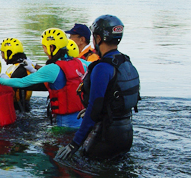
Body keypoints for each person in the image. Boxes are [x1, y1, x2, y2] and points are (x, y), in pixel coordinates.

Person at [56, 15, 140, 161]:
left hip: (105, 137)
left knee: (83, 177)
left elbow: (94, 110)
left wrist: (74, 144)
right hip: (126, 135)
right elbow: (118, 97)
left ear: (99, 38)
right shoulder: (125, 61)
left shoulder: (102, 67)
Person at [0, 28, 84, 128]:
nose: (44, 50)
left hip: (64, 125)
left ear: (51, 47)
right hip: (81, 121)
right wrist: (34, 68)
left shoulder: (52, 68)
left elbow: (22, 82)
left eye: (44, 47)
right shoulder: (80, 63)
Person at [0, 37, 34, 112]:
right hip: (23, 106)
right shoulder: (23, 65)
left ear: (9, 53)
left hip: (19, 109)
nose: (2, 56)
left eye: (2, 53)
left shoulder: (20, 70)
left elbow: (10, 92)